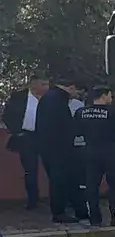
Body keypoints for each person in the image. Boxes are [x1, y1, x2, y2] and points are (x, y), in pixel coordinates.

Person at [76, 86, 115, 227]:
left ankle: (94, 218)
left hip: (89, 151)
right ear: (104, 96)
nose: (111, 99)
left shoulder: (81, 112)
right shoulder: (113, 111)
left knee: (91, 186)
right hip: (110, 152)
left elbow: (76, 131)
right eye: (110, 96)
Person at [36, 78, 85, 223]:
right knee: (60, 180)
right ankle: (59, 212)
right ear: (72, 86)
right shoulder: (57, 99)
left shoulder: (50, 97)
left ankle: (77, 210)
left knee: (65, 179)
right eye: (78, 92)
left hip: (50, 146)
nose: (77, 96)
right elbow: (64, 125)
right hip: (58, 148)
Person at [2, 75, 49, 210]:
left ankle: (58, 199)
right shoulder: (19, 97)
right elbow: (7, 115)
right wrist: (17, 131)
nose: (46, 87)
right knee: (30, 169)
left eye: (47, 84)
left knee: (53, 168)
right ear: (33, 85)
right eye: (43, 84)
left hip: (46, 137)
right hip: (26, 136)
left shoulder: (50, 98)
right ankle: (33, 200)